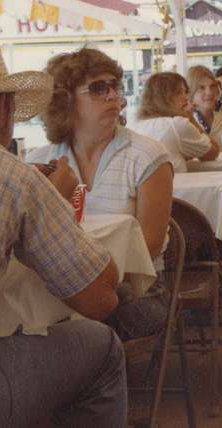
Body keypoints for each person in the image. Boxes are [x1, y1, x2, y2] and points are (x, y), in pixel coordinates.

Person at [0, 29, 126, 427]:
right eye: (100, 89)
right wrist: (54, 202)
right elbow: (100, 299)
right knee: (101, 346)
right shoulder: (5, 168)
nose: (114, 97)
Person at [29, 48, 173, 342]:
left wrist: (86, 282)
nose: (112, 96)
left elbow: (150, 246)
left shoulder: (146, 154)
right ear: (65, 100)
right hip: (63, 291)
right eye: (98, 88)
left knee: (66, 335)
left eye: (115, 86)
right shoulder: (42, 160)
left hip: (138, 294)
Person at [132, 72, 220, 173]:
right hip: (176, 187)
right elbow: (212, 153)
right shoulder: (176, 124)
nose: (186, 98)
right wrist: (191, 119)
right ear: (163, 98)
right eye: (179, 92)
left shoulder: (135, 125)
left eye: (185, 92)